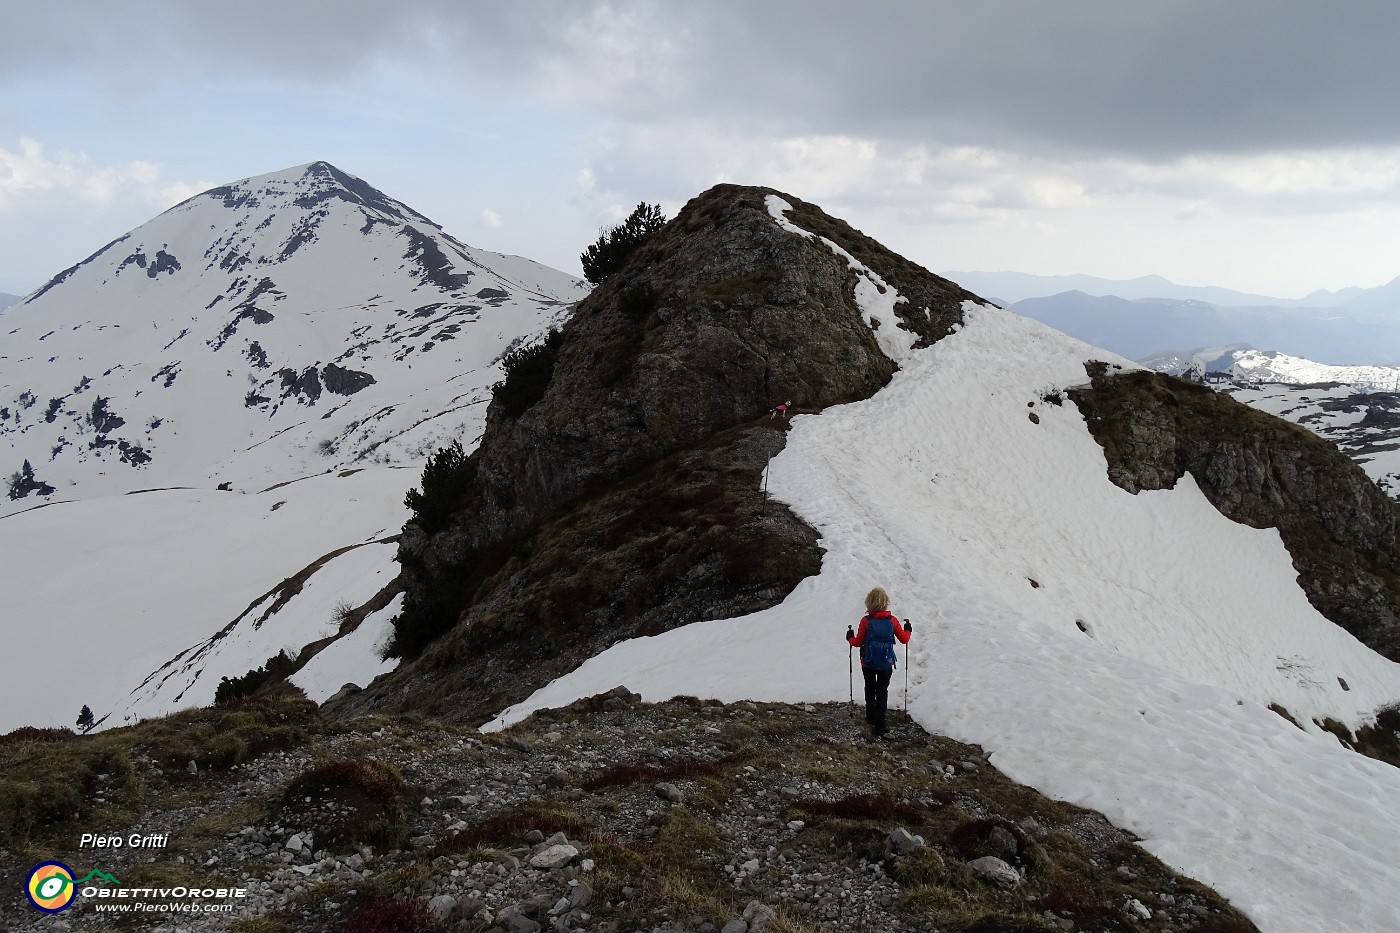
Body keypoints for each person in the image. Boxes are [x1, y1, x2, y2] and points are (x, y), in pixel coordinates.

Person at [846, 586, 912, 738]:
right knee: (882, 692)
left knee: (869, 687)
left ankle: (870, 716)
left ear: (869, 602)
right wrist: (908, 629)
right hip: (886, 663)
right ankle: (880, 726)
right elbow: (904, 639)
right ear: (885, 602)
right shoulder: (892, 621)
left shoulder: (866, 621)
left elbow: (857, 642)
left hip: (867, 663)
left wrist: (849, 637)